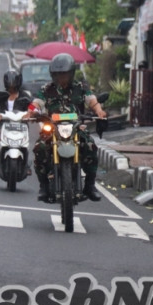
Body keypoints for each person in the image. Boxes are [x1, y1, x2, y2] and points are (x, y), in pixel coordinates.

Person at [27, 53, 107, 202]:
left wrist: (99, 111)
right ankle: (43, 185)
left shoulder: (80, 87)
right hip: (53, 128)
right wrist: (30, 111)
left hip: (76, 127)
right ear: (53, 75)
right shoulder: (47, 89)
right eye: (58, 75)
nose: (61, 78)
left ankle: (90, 185)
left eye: (64, 75)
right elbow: (36, 102)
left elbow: (92, 100)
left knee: (90, 146)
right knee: (40, 148)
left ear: (71, 74)